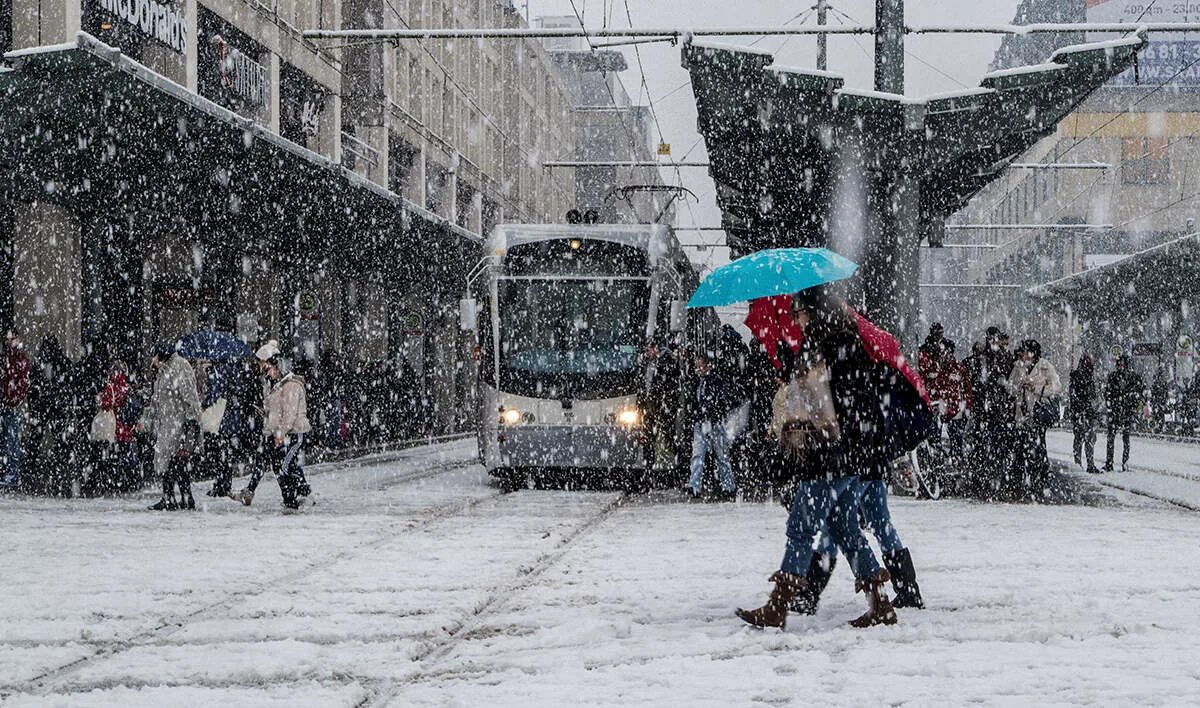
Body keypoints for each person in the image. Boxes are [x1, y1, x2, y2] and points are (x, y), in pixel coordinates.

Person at [737, 287, 925, 630]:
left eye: (799, 313)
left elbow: (812, 406)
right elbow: (860, 407)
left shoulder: (819, 348)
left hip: (823, 456)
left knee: (800, 529)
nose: (796, 319)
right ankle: (880, 604)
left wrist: (796, 435)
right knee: (847, 531)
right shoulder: (849, 344)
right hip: (848, 459)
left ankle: (778, 606)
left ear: (814, 312)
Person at [234, 341, 313, 511]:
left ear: (275, 365)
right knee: (281, 466)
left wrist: (280, 433)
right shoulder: (277, 385)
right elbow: (278, 410)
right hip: (280, 432)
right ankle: (293, 498)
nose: (266, 373)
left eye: (267, 368)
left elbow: (290, 414)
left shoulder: (289, 385)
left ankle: (300, 496)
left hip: (291, 433)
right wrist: (267, 413)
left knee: (285, 467)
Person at [142, 342, 202, 511]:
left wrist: (190, 427)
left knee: (176, 461)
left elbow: (190, 399)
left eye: (154, 356)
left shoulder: (180, 367)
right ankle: (175, 498)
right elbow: (156, 400)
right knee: (171, 462)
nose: (152, 361)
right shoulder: (164, 371)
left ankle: (179, 498)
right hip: (167, 425)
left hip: (178, 425)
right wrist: (146, 421)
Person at [1007, 339, 1062, 496]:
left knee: (1038, 449)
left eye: (1026, 351)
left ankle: (1039, 480)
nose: (1023, 354)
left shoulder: (1045, 367)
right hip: (1021, 414)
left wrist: (1037, 388)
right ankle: (1019, 481)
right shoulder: (1018, 367)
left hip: (1037, 414)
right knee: (1019, 449)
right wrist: (1019, 387)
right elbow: (1010, 388)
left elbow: (1056, 387)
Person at [684, 352, 738, 501]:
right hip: (703, 422)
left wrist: (710, 412)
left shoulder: (715, 381)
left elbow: (722, 400)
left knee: (718, 455)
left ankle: (726, 486)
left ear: (707, 365)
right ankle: (697, 485)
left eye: (701, 366)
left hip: (712, 422)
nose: (699, 369)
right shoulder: (700, 381)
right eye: (697, 366)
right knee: (701, 455)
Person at [95, 359, 139, 492]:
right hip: (127, 428)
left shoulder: (111, 386)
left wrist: (100, 399)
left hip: (115, 427)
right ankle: (130, 481)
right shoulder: (127, 386)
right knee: (127, 457)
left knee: (112, 457)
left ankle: (114, 482)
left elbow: (106, 405)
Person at [641, 337, 681, 476]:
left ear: (655, 348)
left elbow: (669, 384)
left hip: (662, 405)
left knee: (667, 436)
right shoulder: (647, 363)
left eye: (648, 350)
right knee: (649, 437)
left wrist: (664, 400)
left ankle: (673, 468)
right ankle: (650, 468)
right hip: (651, 404)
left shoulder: (666, 361)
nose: (646, 353)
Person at [930, 339, 972, 461]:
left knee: (956, 441)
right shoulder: (935, 368)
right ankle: (940, 466)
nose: (942, 354)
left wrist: (968, 407)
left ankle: (957, 463)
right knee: (938, 444)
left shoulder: (959, 368)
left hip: (956, 412)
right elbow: (931, 388)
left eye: (944, 351)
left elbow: (967, 389)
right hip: (939, 411)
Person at [1, 331, 32, 491]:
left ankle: (12, 473)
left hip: (12, 405)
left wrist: (14, 400)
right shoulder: (10, 357)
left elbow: (22, 382)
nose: (8, 342)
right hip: (8, 403)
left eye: (11, 339)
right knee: (8, 440)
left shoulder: (18, 358)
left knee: (12, 441)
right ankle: (9, 472)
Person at [1104, 355, 1144, 472]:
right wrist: (1111, 406)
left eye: (1123, 364)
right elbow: (1108, 393)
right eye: (1119, 364)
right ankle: (1110, 463)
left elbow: (1138, 392)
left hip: (1125, 411)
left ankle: (1124, 463)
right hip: (1117, 410)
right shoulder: (1114, 377)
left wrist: (1131, 403)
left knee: (1125, 438)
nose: (1121, 366)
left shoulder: (1131, 377)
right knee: (1112, 437)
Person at [1068, 355, 1101, 474]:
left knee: (1083, 438)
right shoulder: (1082, 376)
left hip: (1083, 412)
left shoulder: (1079, 376)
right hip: (1083, 412)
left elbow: (1075, 395)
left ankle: (1081, 464)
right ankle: (1086, 464)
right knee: (1085, 438)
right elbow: (1079, 396)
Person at [917, 322, 945, 389]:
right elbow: (923, 369)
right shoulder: (925, 350)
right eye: (938, 333)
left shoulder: (945, 347)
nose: (940, 336)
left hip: (940, 386)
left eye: (941, 333)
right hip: (929, 386)